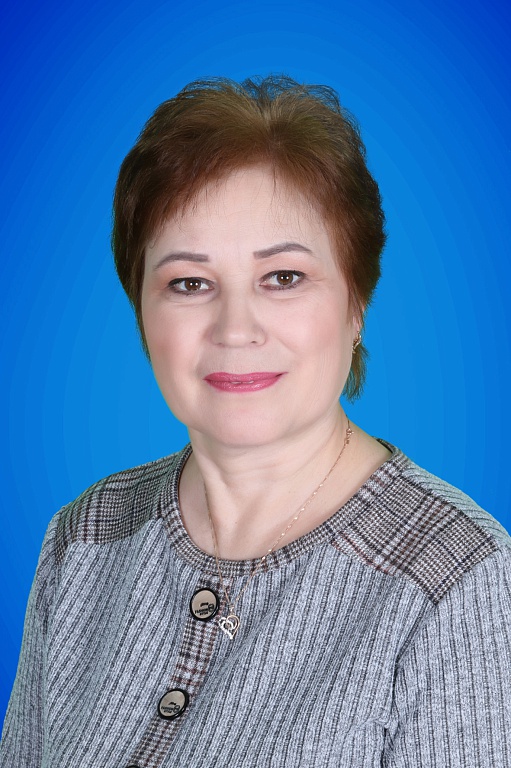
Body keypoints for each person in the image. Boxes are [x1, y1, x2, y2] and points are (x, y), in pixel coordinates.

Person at [1, 75, 510, 768]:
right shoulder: (86, 538)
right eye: (189, 283)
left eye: (283, 278)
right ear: (142, 312)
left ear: (356, 303)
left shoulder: (456, 582)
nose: (235, 328)